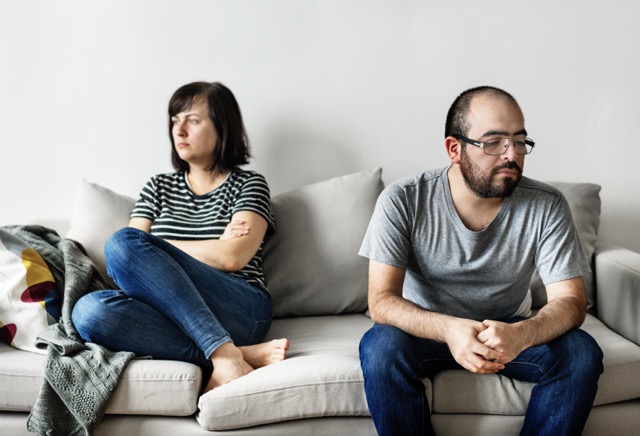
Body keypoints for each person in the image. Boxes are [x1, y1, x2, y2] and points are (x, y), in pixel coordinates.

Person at [358, 86, 603, 435]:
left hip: (508, 330)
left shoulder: (547, 204)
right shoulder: (403, 199)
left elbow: (571, 302)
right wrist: (449, 328)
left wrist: (523, 333)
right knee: (380, 348)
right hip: (426, 330)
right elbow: (381, 302)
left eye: (520, 141)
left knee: (580, 354)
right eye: (493, 142)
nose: (511, 154)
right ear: (454, 149)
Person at [72, 81, 289, 392]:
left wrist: (158, 247)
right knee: (89, 311)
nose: (179, 130)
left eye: (193, 120)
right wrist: (199, 246)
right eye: (175, 120)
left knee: (124, 242)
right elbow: (127, 264)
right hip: (172, 313)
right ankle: (230, 355)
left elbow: (232, 257)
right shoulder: (158, 187)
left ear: (223, 127)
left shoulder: (249, 184)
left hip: (239, 308)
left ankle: (224, 351)